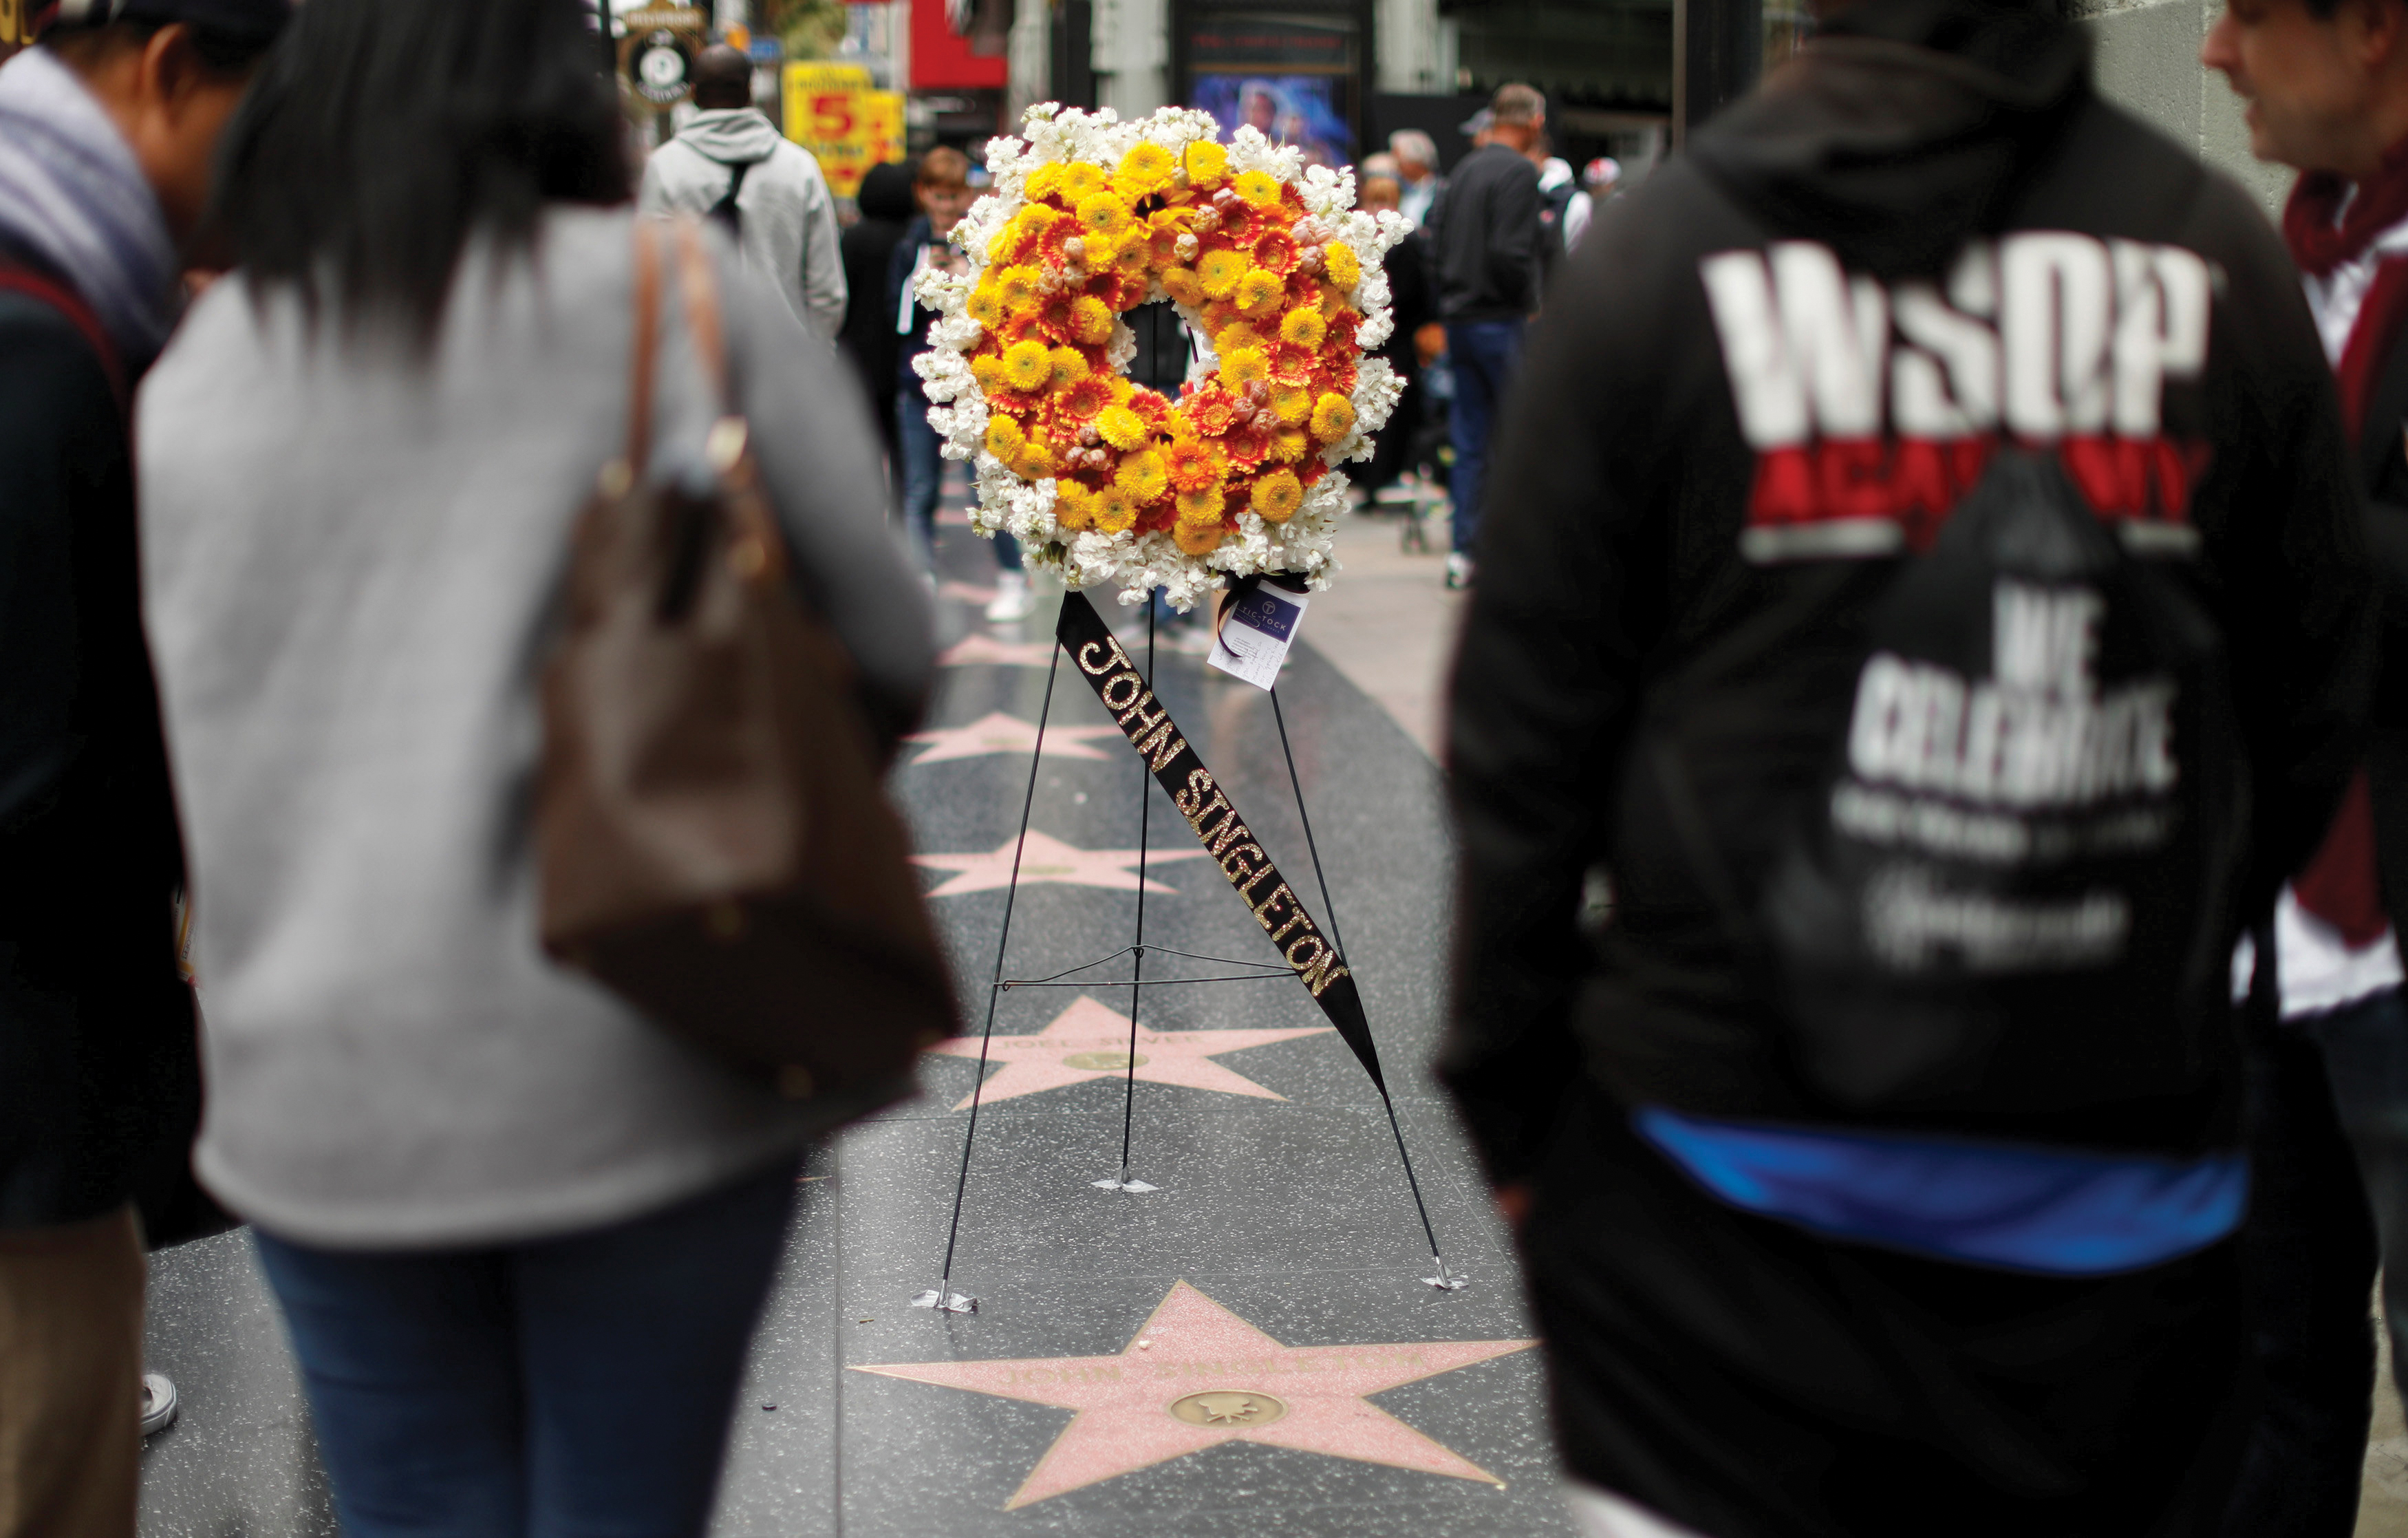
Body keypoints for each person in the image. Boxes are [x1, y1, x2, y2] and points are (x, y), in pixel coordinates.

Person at [1442, 0, 2378, 1532]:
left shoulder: (1670, 248)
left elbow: (1524, 738)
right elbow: (2307, 687)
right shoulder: (2208, 252)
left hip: (1723, 1212)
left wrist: (1515, 1099)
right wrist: (2157, 941)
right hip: (2110, 1205)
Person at [136, 2, 934, 1534]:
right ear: (566, 98)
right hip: (653, 1051)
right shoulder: (669, 299)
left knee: (411, 1506)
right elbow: (891, 637)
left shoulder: (205, 362)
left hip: (319, 1094)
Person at [0, 1, 286, 1532]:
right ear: (170, 68)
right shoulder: (35, 325)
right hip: (28, 1074)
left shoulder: (66, 275)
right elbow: (36, 770)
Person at [2200, 0, 2408, 1530]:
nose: (2214, 53)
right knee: (2263, 1389)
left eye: (2248, 14)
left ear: (2371, 31)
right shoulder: (2286, 271)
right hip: (2274, 936)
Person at [890, 145, 1031, 621]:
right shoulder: (908, 244)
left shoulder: (980, 241)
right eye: (937, 194)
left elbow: (999, 309)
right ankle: (919, 578)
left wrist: (963, 279)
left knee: (986, 488)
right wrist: (920, 278)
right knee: (919, 489)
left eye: (953, 195)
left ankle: (1014, 579)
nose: (946, 205)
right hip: (917, 386)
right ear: (922, 193)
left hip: (975, 389)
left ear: (965, 194)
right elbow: (896, 313)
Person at [638, 42, 845, 343]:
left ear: (693, 93)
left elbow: (650, 279)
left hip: (696, 364)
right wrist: (814, 356)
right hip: (784, 360)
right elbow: (827, 291)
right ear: (749, 91)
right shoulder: (799, 167)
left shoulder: (664, 168)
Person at [1424, 82, 1545, 590]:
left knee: (1471, 438)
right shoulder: (1519, 170)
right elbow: (1509, 251)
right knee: (1521, 436)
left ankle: (1464, 551)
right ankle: (1518, 553)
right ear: (1535, 120)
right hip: (1500, 319)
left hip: (1461, 321)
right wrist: (1531, 301)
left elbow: (1434, 240)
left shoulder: (1465, 168)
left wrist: (1447, 301)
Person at [1354, 171, 1432, 503]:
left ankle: (1376, 479)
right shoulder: (1388, 240)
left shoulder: (1398, 241)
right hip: (1383, 341)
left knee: (1381, 410)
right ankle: (1374, 478)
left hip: (1384, 340)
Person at [841, 158, 919, 477]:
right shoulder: (913, 239)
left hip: (860, 356)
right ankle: (902, 512)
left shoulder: (853, 239)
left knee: (867, 442)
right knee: (904, 446)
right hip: (905, 353)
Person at [1390, 128, 1443, 228]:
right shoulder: (1396, 188)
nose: (1395, 166)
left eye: (1399, 161)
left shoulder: (1442, 192)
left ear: (1415, 162)